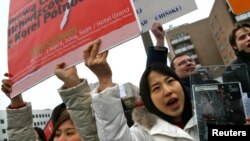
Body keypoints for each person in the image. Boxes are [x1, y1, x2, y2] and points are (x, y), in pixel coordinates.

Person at [91, 63, 199, 141]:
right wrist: (105, 79)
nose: (168, 91)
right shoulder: (142, 134)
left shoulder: (207, 118)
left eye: (170, 81)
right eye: (156, 88)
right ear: (148, 99)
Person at [224, 23, 250, 116]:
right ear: (235, 46)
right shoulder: (230, 72)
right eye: (242, 37)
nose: (248, 38)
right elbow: (235, 105)